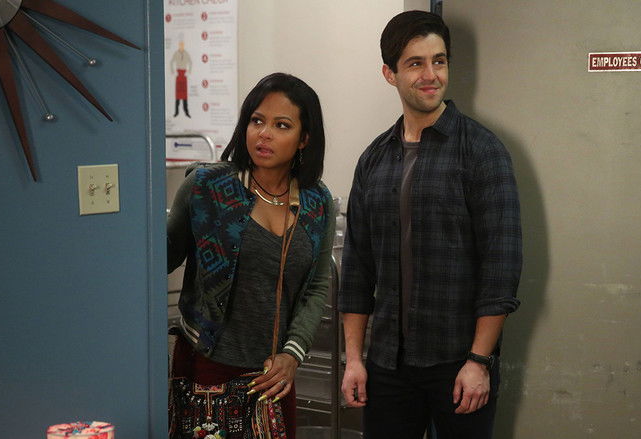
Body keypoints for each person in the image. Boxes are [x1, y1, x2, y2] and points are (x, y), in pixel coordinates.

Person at [338, 11, 522, 439]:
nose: (430, 75)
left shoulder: (482, 151)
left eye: (439, 61)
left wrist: (479, 361)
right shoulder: (374, 159)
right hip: (387, 363)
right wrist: (355, 359)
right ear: (389, 73)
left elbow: (501, 266)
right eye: (415, 63)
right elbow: (357, 269)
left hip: (459, 362)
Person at [167, 72, 335, 438]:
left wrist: (292, 354)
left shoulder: (318, 202)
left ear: (304, 138)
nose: (264, 133)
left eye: (281, 125)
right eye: (257, 121)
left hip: (273, 376)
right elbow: (157, 262)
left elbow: (315, 288)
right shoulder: (206, 187)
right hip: (207, 366)